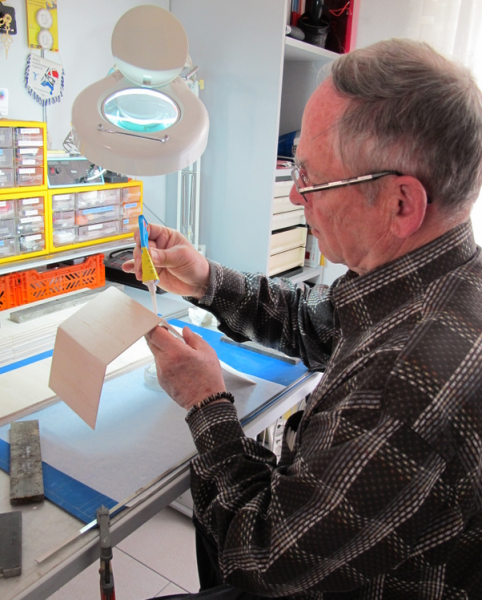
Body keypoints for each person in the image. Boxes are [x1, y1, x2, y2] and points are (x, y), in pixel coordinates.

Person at [123, 38, 482, 599]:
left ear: (401, 204)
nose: (295, 196)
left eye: (312, 180)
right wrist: (205, 279)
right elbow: (319, 324)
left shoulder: (406, 388)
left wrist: (206, 403)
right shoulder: (437, 282)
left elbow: (261, 561)